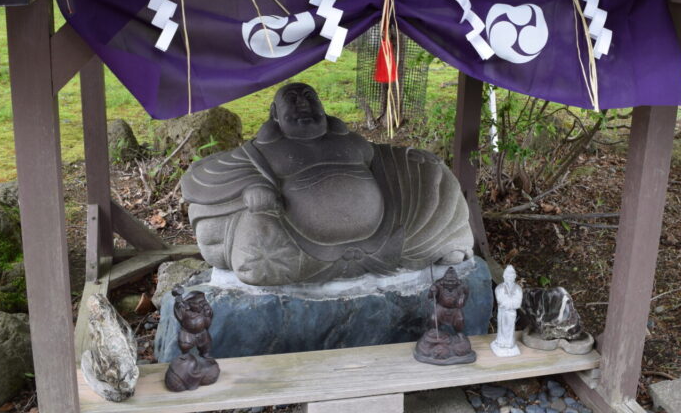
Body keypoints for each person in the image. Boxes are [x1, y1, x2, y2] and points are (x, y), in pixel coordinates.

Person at [182, 83, 473, 285]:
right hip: (294, 247)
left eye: (310, 97)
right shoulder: (262, 150)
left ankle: (446, 240)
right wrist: (254, 189)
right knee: (259, 263)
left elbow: (389, 164)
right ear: (274, 114)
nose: (302, 104)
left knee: (431, 172)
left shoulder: (350, 142)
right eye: (292, 100)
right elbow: (204, 177)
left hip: (385, 239)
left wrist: (418, 167)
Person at [491, 265, 523, 357]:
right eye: (507, 276)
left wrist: (509, 302)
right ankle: (500, 343)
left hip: (511, 313)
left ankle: (509, 344)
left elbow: (518, 303)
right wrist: (509, 302)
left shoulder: (518, 289)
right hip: (502, 312)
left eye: (512, 276)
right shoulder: (499, 288)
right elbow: (500, 301)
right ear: (504, 276)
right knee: (502, 327)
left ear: (515, 277)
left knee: (510, 328)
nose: (509, 278)